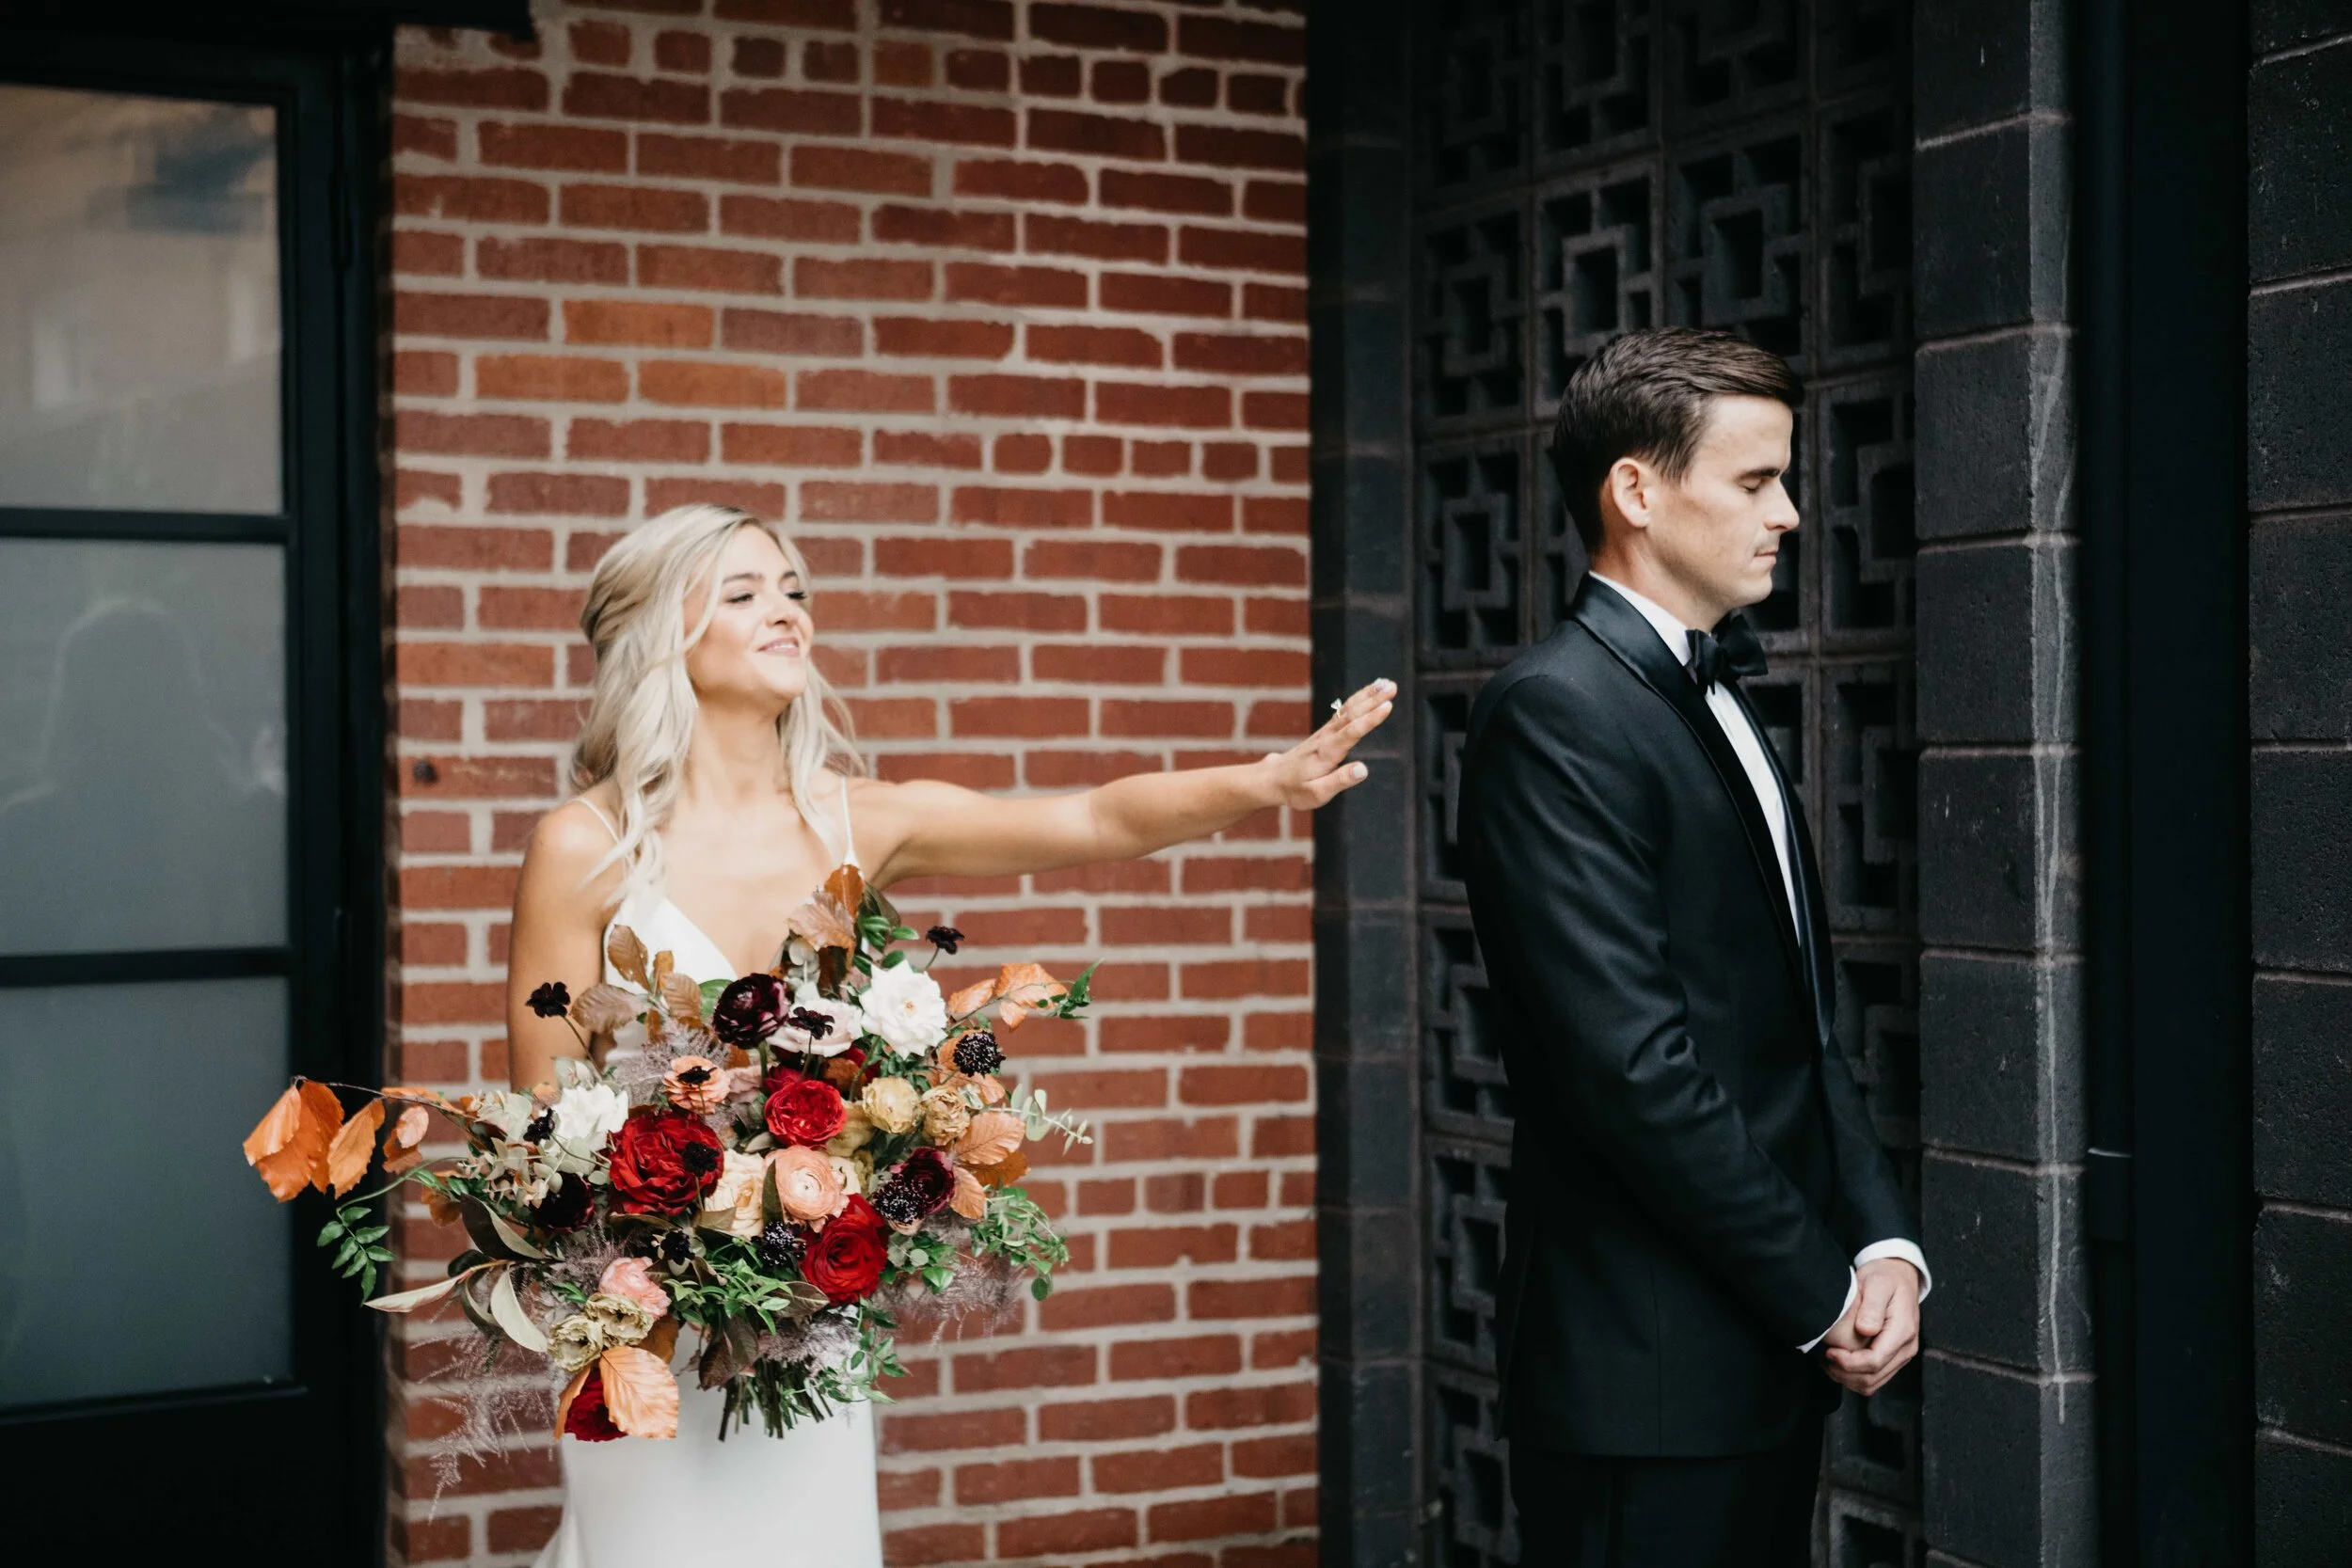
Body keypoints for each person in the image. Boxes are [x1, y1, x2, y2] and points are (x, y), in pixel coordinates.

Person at [503, 502, 1392, 1568]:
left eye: (793, 588)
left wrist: (1265, 783)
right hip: (641, 1324)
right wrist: (655, 1270)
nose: (787, 612)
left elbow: (1091, 820)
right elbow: (548, 1127)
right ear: (659, 633)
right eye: (743, 592)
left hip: (806, 1329)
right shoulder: (584, 844)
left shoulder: (856, 822)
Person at [1455, 327, 1930, 1566]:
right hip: (1643, 1375)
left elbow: (1801, 1022)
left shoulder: (1719, 697)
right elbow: (1630, 1068)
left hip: (1768, 1346)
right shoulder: (1555, 709)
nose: (1792, 512)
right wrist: (1820, 1289)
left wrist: (1882, 1243)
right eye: (1757, 480)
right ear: (1636, 491)